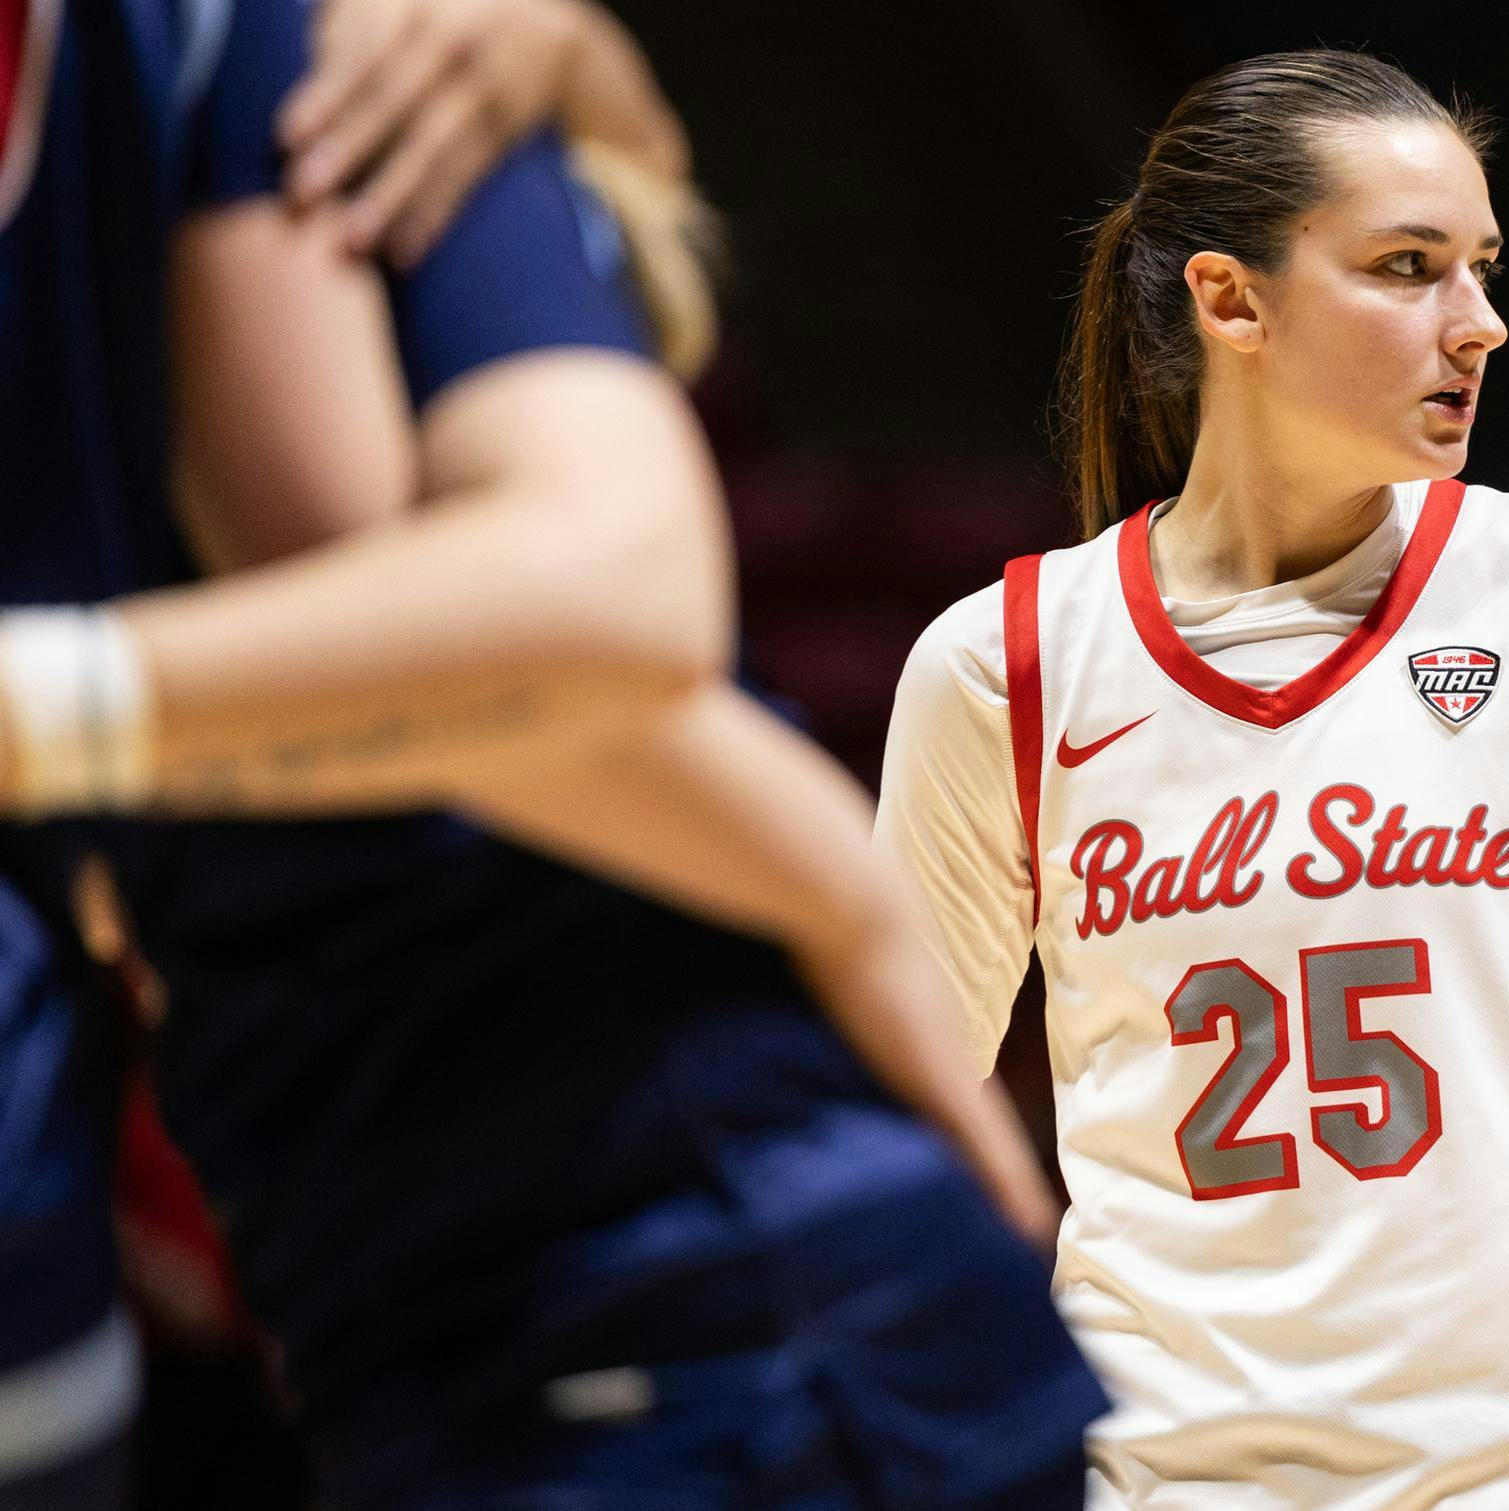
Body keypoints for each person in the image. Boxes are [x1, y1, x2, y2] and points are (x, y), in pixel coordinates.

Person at [1, 0, 1104, 1504]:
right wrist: (836, 880)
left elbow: (490, 632)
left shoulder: (311, 56)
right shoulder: (233, 51)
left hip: (596, 1233)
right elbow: (479, 628)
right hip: (635, 1232)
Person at [876, 47, 1509, 1511]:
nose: (1477, 323)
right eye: (1409, 268)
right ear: (1231, 301)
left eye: (1481, 268)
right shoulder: (1005, 666)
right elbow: (912, 1137)